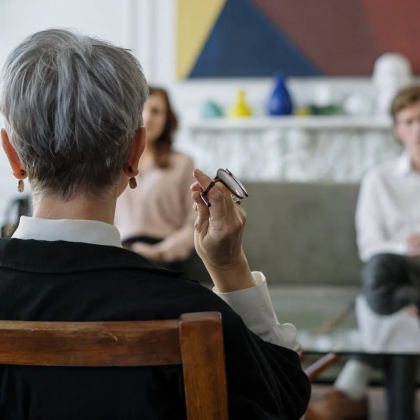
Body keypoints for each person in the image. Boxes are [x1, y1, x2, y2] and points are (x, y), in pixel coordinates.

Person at [0, 29, 310, 420]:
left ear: (12, 155)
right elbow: (284, 400)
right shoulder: (193, 314)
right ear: (135, 152)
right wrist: (230, 270)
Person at [306, 85, 420, 420]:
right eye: (410, 121)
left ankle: (350, 388)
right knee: (380, 270)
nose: (418, 128)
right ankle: (409, 300)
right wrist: (407, 246)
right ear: (398, 130)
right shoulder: (379, 179)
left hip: (399, 286)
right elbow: (369, 246)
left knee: (382, 301)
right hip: (394, 270)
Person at [114, 87, 196, 271]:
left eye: (156, 111)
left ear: (167, 119)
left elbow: (194, 223)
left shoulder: (183, 164)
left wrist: (161, 252)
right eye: (142, 109)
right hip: (119, 255)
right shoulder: (112, 162)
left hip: (166, 258)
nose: (148, 117)